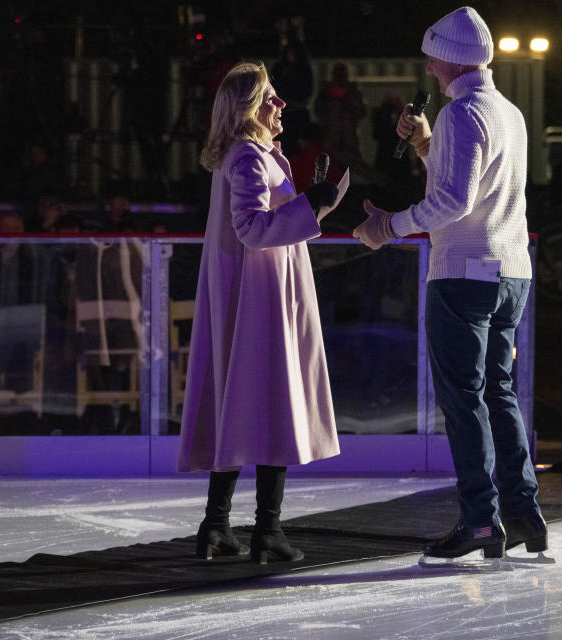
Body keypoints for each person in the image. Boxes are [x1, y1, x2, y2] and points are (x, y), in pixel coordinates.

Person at [353, 6, 546, 561]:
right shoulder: (505, 111)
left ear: (446, 58)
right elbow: (474, 181)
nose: (427, 65)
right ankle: (524, 513)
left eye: (430, 54)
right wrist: (424, 143)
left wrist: (386, 227)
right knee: (498, 393)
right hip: (511, 271)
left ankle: (482, 521)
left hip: (464, 274)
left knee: (464, 401)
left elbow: (455, 201)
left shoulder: (465, 114)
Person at [177, 62, 341, 563]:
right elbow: (251, 228)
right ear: (249, 107)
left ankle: (218, 525)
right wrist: (311, 205)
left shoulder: (252, 154)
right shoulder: (248, 157)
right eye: (271, 96)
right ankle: (264, 529)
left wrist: (308, 204)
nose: (281, 103)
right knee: (272, 400)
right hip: (260, 298)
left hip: (258, 292)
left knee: (242, 402)